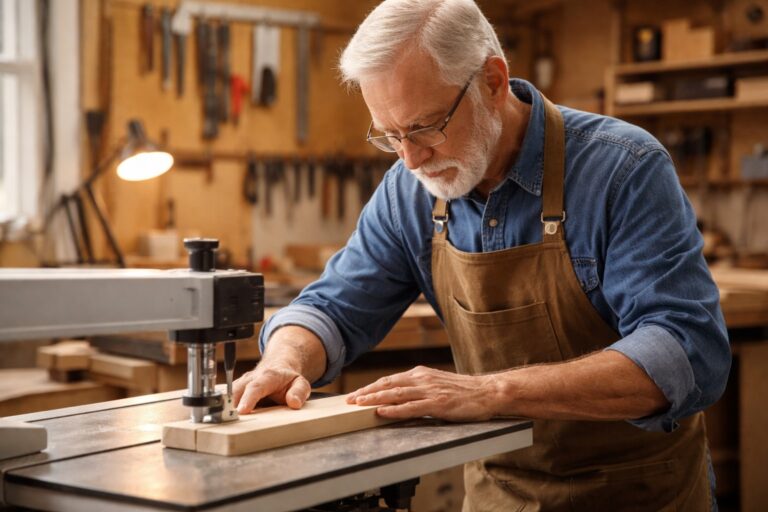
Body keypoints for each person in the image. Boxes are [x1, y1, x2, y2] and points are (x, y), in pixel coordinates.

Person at [233, 0, 731, 509]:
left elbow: (687, 351)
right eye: (390, 135)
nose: (410, 158)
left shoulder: (623, 169)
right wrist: (284, 359)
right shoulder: (410, 191)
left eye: (426, 126)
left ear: (493, 81)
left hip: (638, 492)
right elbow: (332, 307)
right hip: (502, 495)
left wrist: (489, 393)